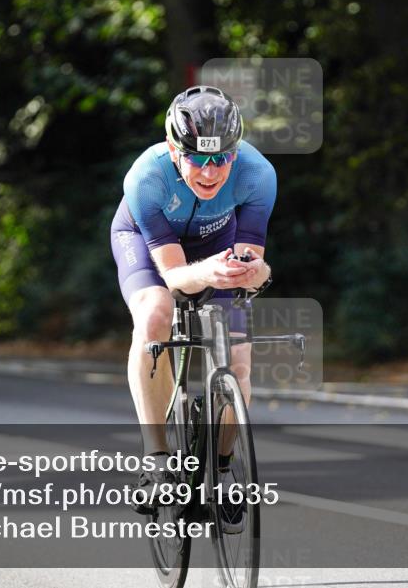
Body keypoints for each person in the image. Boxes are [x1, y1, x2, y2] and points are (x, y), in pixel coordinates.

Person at [110, 85, 275, 524]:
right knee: (155, 313)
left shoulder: (259, 175)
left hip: (218, 242)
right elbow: (174, 276)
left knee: (239, 359)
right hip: (147, 247)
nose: (209, 171)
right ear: (172, 149)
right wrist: (209, 274)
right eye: (197, 158)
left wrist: (257, 273)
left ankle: (221, 469)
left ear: (235, 153)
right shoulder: (146, 177)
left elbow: (253, 264)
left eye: (220, 158)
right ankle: (157, 458)